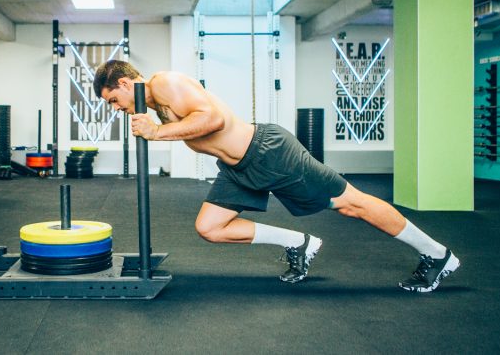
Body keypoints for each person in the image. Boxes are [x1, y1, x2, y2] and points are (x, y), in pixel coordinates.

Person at [93, 60, 460, 292]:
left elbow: (213, 119)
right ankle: (300, 243)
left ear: (125, 84)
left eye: (113, 101)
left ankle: (437, 254)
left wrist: (157, 133)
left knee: (352, 204)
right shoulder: (155, 105)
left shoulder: (164, 83)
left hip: (269, 153)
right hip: (239, 169)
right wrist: (156, 127)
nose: (117, 109)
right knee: (210, 227)